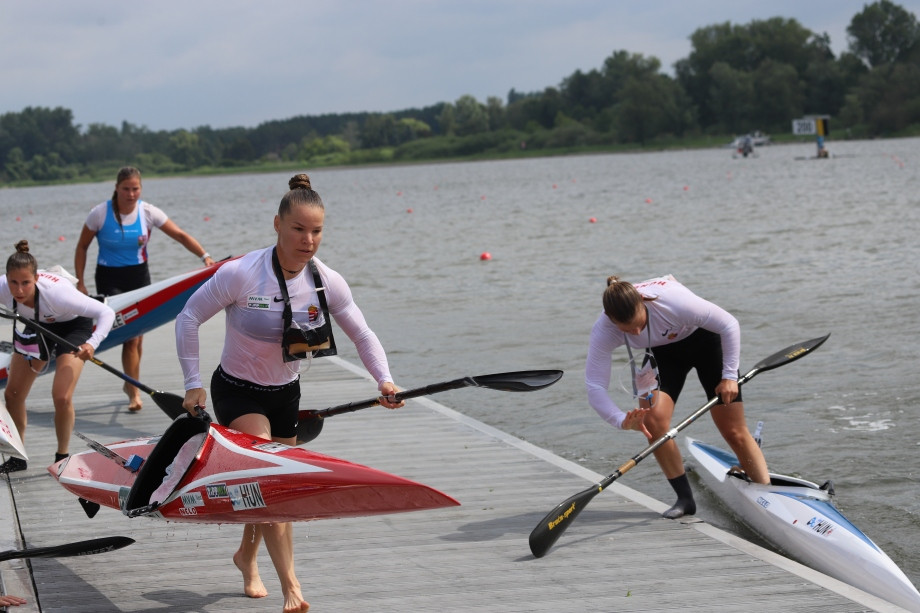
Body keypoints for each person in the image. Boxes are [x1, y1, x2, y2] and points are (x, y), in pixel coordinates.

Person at [175, 173, 404, 613]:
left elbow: (362, 332)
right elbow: (188, 318)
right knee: (276, 481)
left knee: (266, 488)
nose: (308, 239)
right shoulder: (242, 273)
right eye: (298, 229)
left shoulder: (326, 281)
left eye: (316, 230)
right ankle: (293, 588)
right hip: (237, 390)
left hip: (286, 394)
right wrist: (192, 385)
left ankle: (246, 556)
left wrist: (384, 381)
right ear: (277, 224)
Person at [585, 274, 769, 519]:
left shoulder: (673, 302)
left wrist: (729, 377)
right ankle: (685, 499)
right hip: (663, 356)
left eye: (640, 324)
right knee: (652, 423)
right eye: (628, 330)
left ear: (644, 303)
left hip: (705, 343)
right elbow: (595, 386)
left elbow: (729, 324)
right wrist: (621, 421)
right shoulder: (604, 329)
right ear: (611, 319)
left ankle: (766, 493)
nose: (637, 332)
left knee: (733, 429)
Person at [74, 166, 215, 413]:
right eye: (126, 189)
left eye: (135, 189)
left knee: (137, 338)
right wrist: (80, 281)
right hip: (109, 278)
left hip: (139, 276)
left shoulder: (148, 212)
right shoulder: (99, 214)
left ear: (141, 188)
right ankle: (134, 391)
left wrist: (205, 256)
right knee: (130, 338)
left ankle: (130, 384)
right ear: (117, 188)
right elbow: (82, 246)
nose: (131, 194)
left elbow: (179, 235)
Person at [0, 240, 116, 473]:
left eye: (26, 283)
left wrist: (91, 344)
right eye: (14, 282)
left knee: (61, 396)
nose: (19, 290)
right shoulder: (3, 287)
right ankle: (17, 457)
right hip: (35, 325)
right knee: (12, 395)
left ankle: (62, 456)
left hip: (72, 328)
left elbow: (106, 312)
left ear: (36, 279)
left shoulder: (58, 294)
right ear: (6, 279)